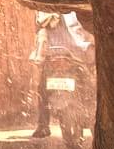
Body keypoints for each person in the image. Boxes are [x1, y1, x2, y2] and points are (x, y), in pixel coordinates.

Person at [29, 10, 93, 138]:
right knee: (43, 88)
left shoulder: (44, 9)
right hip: (72, 55)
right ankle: (93, 120)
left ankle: (43, 125)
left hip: (60, 55)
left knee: (42, 89)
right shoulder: (74, 10)